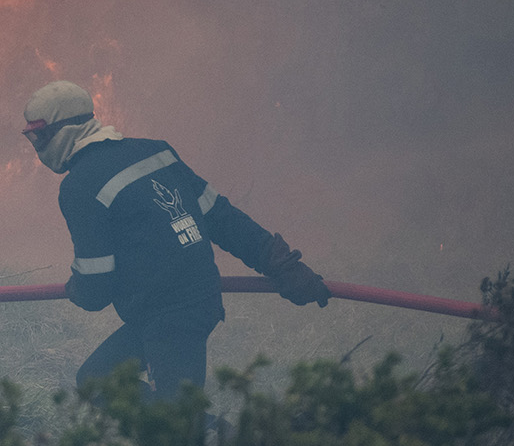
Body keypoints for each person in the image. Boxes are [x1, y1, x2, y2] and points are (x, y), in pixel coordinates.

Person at [22, 80, 331, 403]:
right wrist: (281, 263)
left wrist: (78, 289)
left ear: (64, 130)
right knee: (97, 380)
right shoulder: (157, 152)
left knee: (176, 427)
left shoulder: (80, 186)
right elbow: (222, 218)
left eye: (39, 135)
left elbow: (95, 287)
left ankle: (221, 441)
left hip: (170, 318)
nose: (37, 145)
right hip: (184, 306)